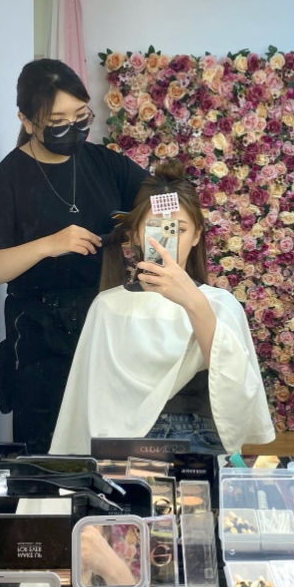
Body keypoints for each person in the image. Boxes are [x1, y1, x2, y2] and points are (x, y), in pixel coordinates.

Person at [0, 59, 147, 453]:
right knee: (47, 454)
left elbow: (164, 198)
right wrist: (47, 245)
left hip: (108, 320)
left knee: (113, 445)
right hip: (41, 336)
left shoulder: (104, 162)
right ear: (27, 121)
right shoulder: (8, 180)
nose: (74, 129)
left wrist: (147, 223)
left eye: (81, 116)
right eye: (58, 122)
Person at [50, 161, 275, 456]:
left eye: (179, 229)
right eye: (154, 229)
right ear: (135, 235)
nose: (166, 240)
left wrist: (193, 302)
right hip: (121, 445)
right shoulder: (108, 306)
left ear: (196, 236)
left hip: (198, 438)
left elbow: (234, 387)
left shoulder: (220, 303)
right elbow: (91, 400)